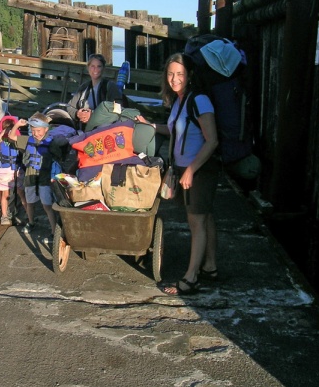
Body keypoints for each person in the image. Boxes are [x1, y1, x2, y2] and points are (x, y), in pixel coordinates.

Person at [137, 53, 219, 295]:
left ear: (190, 75)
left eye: (180, 74)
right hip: (186, 167)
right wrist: (152, 126)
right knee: (206, 217)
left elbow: (212, 140)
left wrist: (191, 170)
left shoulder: (200, 100)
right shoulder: (179, 101)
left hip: (200, 169)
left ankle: (191, 277)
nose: (174, 79)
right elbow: (176, 131)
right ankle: (210, 266)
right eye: (171, 74)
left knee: (196, 222)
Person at [14, 113, 57, 237]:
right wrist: (17, 124)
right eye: (33, 131)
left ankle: (54, 230)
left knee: (46, 205)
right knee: (30, 201)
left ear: (46, 129)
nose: (36, 133)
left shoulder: (52, 142)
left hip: (45, 176)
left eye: (38, 130)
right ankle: (31, 222)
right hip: (30, 175)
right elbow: (12, 136)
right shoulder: (28, 140)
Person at [66, 53, 123, 130]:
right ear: (88, 67)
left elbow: (117, 110)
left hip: (102, 129)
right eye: (92, 66)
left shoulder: (110, 87)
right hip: (83, 129)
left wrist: (93, 115)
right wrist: (78, 114)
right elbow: (69, 107)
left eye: (99, 66)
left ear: (103, 68)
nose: (95, 69)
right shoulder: (83, 87)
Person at [0, 116, 26, 225]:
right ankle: (4, 216)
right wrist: (1, 135)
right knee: (5, 194)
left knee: (21, 192)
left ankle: (27, 213)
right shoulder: (0, 142)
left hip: (16, 170)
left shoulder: (16, 140)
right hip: (4, 171)